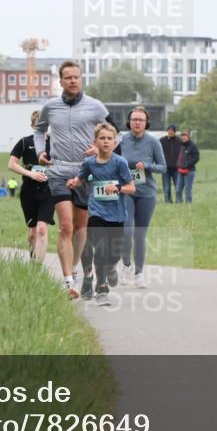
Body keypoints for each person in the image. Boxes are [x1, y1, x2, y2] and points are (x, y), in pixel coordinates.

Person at [34, 60, 115, 299]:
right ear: (60, 82)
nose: (72, 81)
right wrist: (40, 151)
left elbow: (114, 132)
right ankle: (68, 280)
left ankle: (75, 266)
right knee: (66, 225)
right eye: (68, 77)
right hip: (58, 171)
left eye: (76, 77)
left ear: (81, 79)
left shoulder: (96, 106)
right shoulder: (50, 107)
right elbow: (39, 130)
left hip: (86, 172)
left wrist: (98, 147)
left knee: (82, 227)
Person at [66, 123, 136, 305]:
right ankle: (101, 288)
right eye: (102, 138)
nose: (105, 142)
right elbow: (80, 179)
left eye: (109, 139)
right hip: (96, 212)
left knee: (114, 255)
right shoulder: (89, 163)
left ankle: (111, 267)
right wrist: (74, 183)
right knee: (101, 249)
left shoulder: (119, 162)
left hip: (117, 214)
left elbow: (131, 187)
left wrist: (118, 188)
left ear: (114, 142)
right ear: (95, 142)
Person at [118, 106, 166, 288]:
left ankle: (139, 273)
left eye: (141, 120)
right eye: (134, 119)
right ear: (129, 122)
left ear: (146, 123)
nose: (137, 122)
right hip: (127, 191)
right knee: (127, 231)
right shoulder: (121, 140)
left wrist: (146, 165)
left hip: (147, 193)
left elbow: (163, 167)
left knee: (140, 235)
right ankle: (126, 266)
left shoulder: (153, 142)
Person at [8, 110, 55, 262]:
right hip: (28, 191)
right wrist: (30, 174)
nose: (41, 128)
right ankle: (33, 257)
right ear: (32, 125)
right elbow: (11, 164)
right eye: (38, 125)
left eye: (44, 125)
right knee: (33, 232)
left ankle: (38, 268)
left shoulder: (54, 143)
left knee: (42, 229)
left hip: (48, 191)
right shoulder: (24, 142)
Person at [175, 130, 200, 204]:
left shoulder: (193, 145)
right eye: (182, 136)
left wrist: (187, 164)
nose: (183, 138)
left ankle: (189, 203)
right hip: (180, 170)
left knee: (188, 189)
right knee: (178, 189)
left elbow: (196, 158)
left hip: (189, 171)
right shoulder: (181, 145)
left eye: (185, 136)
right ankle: (179, 203)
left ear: (188, 137)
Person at [159, 124, 182, 204]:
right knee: (166, 187)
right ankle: (168, 201)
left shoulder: (179, 141)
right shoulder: (162, 140)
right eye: (169, 130)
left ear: (175, 132)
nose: (170, 132)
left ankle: (179, 201)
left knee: (178, 186)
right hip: (166, 169)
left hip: (177, 169)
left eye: (172, 130)